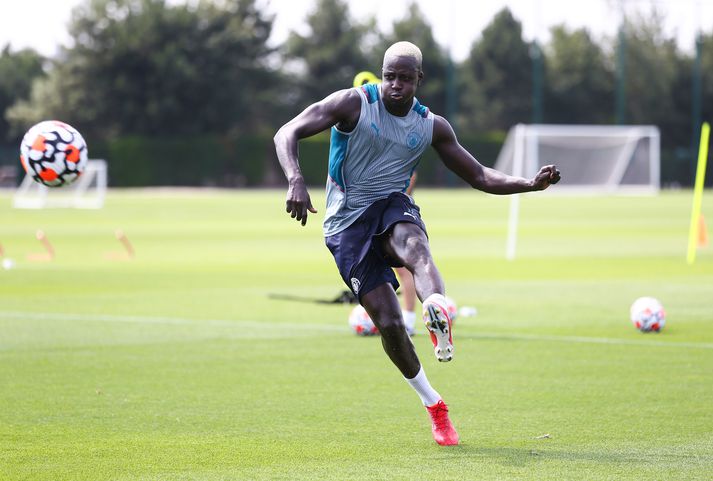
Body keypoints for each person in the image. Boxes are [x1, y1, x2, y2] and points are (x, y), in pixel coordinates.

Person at [274, 41, 560, 446]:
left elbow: (478, 175)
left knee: (415, 247)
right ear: (382, 74)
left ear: (418, 80)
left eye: (404, 79)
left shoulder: (430, 125)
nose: (395, 85)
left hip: (390, 205)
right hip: (345, 226)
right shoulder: (352, 104)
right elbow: (288, 131)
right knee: (389, 325)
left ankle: (435, 307)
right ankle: (435, 406)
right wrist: (296, 179)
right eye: (390, 76)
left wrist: (530, 183)